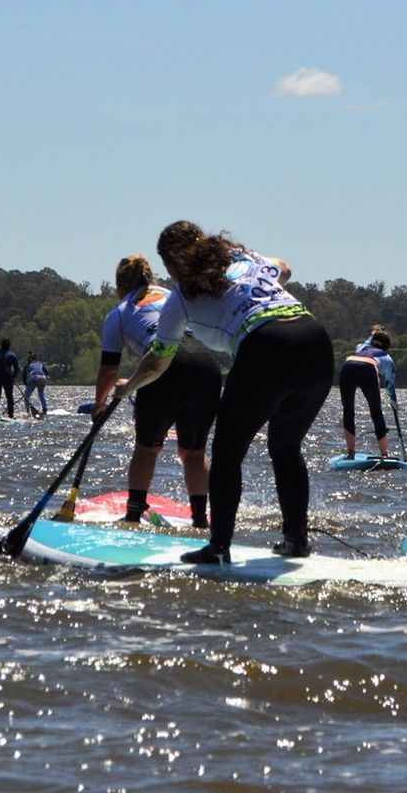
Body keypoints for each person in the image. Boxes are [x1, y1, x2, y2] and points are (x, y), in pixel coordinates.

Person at [114, 222, 333, 563]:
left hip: (267, 345)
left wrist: (129, 386)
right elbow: (285, 267)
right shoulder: (244, 257)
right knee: (286, 447)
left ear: (171, 264)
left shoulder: (181, 297)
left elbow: (158, 360)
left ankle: (218, 547)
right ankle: (297, 541)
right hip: (316, 342)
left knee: (228, 454)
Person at [93, 254, 222, 528]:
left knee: (148, 448)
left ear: (119, 285)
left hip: (165, 365)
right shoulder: (169, 293)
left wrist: (99, 404)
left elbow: (108, 371)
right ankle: (201, 520)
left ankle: (133, 515)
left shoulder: (119, 312)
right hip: (206, 365)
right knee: (194, 452)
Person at [338, 325, 397, 459]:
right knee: (376, 412)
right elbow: (390, 386)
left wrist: (374, 333)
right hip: (367, 370)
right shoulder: (387, 359)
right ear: (387, 347)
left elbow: (368, 342)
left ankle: (351, 454)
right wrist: (394, 403)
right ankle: (384, 455)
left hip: (347, 367)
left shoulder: (360, 347)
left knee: (348, 411)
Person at [0, 338, 19, 418]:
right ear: (9, 346)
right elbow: (17, 369)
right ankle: (10, 415)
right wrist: (13, 377)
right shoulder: (12, 355)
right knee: (9, 397)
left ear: (1, 345)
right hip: (6, 379)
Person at [22, 352, 50, 419]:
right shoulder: (40, 363)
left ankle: (28, 412)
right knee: (41, 395)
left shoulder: (27, 365)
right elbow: (47, 373)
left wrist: (26, 384)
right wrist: (47, 377)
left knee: (26, 397)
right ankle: (44, 410)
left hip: (34, 378)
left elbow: (24, 376)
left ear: (30, 359)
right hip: (43, 378)